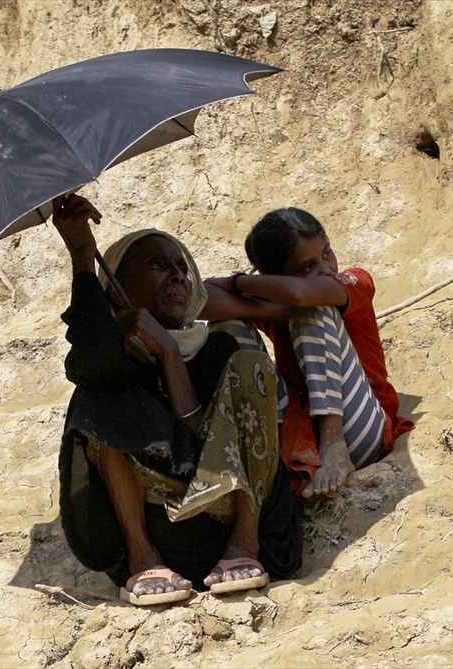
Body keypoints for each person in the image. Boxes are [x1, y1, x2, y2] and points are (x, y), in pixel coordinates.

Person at [52, 195, 301, 605]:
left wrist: (169, 351)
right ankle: (141, 557)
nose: (178, 277)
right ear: (119, 287)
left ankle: (245, 546)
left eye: (182, 268)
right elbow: (89, 359)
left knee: (252, 368)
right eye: (158, 265)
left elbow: (199, 443)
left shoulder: (218, 347)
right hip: (159, 527)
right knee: (96, 393)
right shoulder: (113, 359)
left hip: (224, 514)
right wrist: (81, 253)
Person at [201, 207, 414, 498]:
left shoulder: (354, 282)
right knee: (227, 326)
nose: (326, 268)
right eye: (306, 267)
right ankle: (258, 459)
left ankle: (333, 446)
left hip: (361, 430)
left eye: (327, 253)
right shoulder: (278, 298)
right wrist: (267, 309)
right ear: (274, 279)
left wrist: (236, 283)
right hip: (298, 432)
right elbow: (201, 302)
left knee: (311, 307)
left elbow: (303, 294)